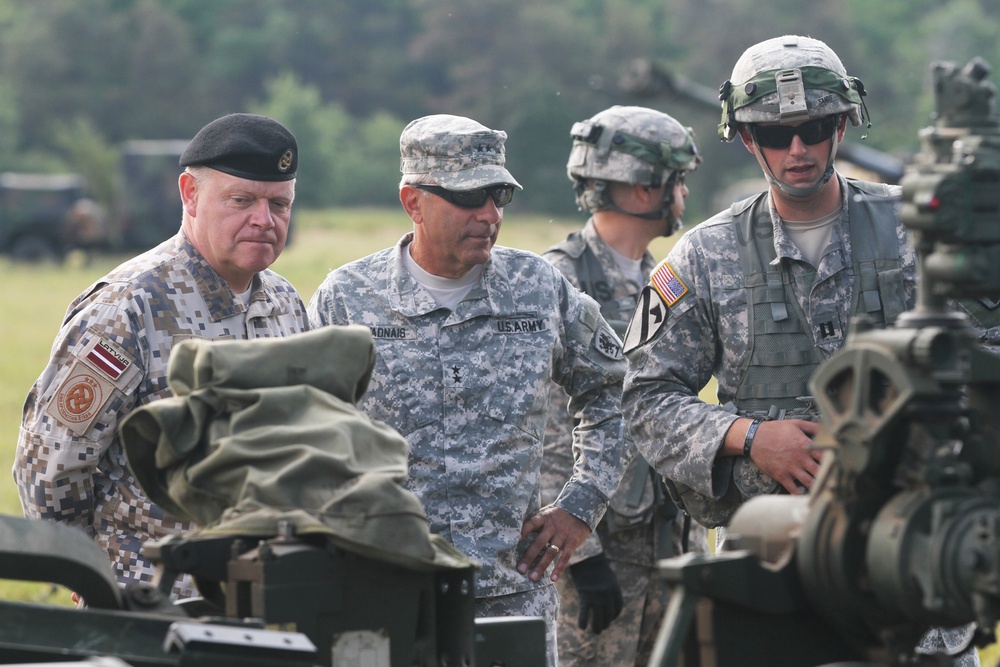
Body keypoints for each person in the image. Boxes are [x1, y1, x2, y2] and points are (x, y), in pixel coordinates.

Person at [620, 35, 979, 665]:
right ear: (746, 138)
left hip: (915, 573)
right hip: (771, 581)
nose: (798, 149)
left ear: (842, 125)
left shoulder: (918, 233)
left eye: (814, 127)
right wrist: (752, 437)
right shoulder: (706, 256)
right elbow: (646, 397)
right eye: (775, 133)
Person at [307, 113, 628, 667]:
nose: (489, 214)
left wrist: (581, 505)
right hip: (384, 590)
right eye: (467, 197)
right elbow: (302, 427)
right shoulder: (348, 298)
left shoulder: (538, 289)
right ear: (413, 202)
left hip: (512, 591)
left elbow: (614, 395)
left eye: (498, 195)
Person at [13, 113, 310, 600]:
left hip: (265, 601)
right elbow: (50, 466)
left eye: (279, 204)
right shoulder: (128, 307)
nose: (264, 219)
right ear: (190, 195)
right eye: (241, 200)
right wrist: (87, 576)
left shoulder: (284, 304)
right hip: (150, 605)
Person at [540, 105, 707, 667]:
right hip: (594, 559)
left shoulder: (665, 281)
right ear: (642, 191)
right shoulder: (554, 284)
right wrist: (582, 558)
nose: (682, 195)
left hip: (667, 548)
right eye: (677, 181)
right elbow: (535, 430)